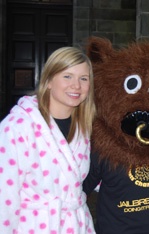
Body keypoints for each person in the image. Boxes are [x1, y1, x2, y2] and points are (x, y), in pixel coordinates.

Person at [0, 46, 96, 233]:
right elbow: (4, 198)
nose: (76, 85)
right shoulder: (17, 127)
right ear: (49, 80)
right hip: (34, 227)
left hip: (77, 225)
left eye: (83, 78)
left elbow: (91, 176)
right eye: (67, 76)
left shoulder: (84, 127)